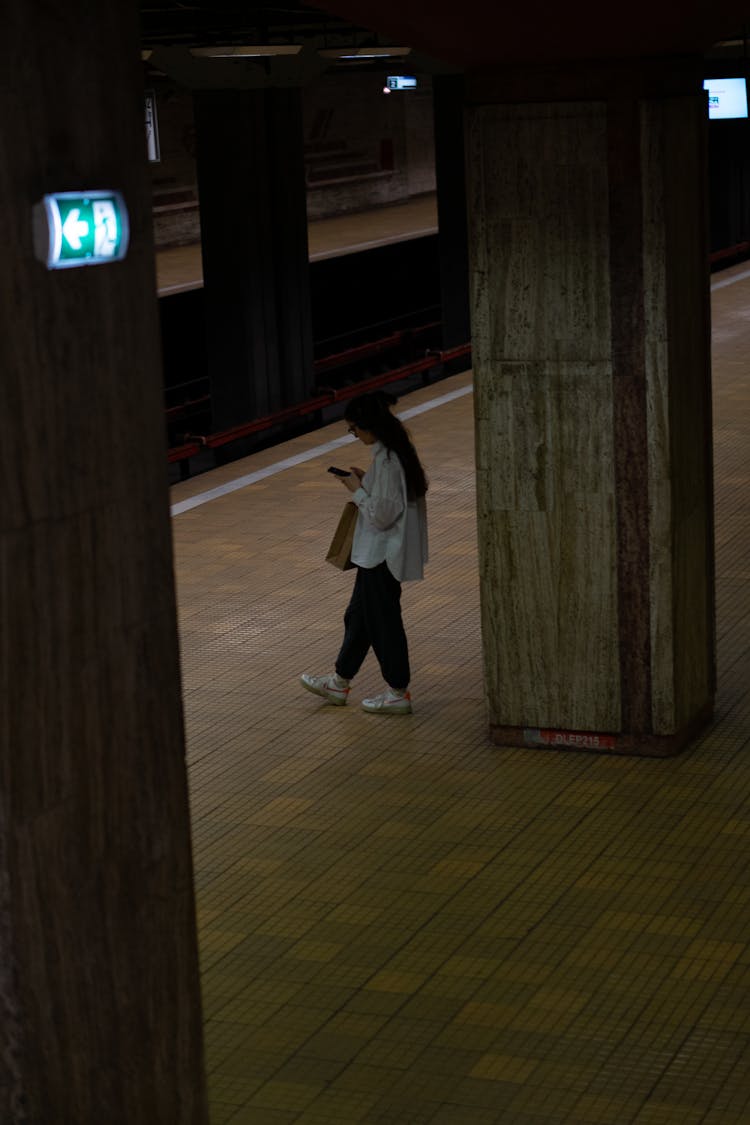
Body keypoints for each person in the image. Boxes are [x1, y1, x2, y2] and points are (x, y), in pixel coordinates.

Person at [301, 391, 428, 714]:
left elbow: (382, 515)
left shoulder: (388, 461)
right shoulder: (397, 453)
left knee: (383, 623)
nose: (354, 434)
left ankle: (398, 691)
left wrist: (355, 490)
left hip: (382, 556)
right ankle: (338, 682)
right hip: (378, 555)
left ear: (369, 425)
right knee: (359, 617)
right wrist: (365, 481)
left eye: (354, 428)